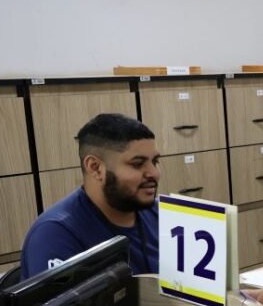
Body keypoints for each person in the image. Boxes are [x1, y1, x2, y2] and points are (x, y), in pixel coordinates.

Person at [21, 114, 160, 278]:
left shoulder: (161, 215)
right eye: (137, 164)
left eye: (155, 162)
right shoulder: (53, 234)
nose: (154, 173)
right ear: (95, 168)